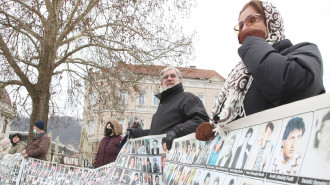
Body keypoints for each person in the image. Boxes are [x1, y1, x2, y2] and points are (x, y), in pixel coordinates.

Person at [196, 0, 324, 141]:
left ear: (271, 21)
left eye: (251, 20)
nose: (244, 28)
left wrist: (252, 42)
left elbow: (293, 85)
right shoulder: (239, 74)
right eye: (240, 26)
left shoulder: (304, 50)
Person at [128, 66, 209, 149]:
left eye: (173, 76)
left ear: (180, 80)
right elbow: (157, 134)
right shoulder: (162, 105)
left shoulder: (188, 98)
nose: (169, 78)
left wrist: (176, 131)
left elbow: (201, 120)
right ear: (162, 83)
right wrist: (136, 133)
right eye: (165, 77)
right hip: (160, 156)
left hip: (176, 155)